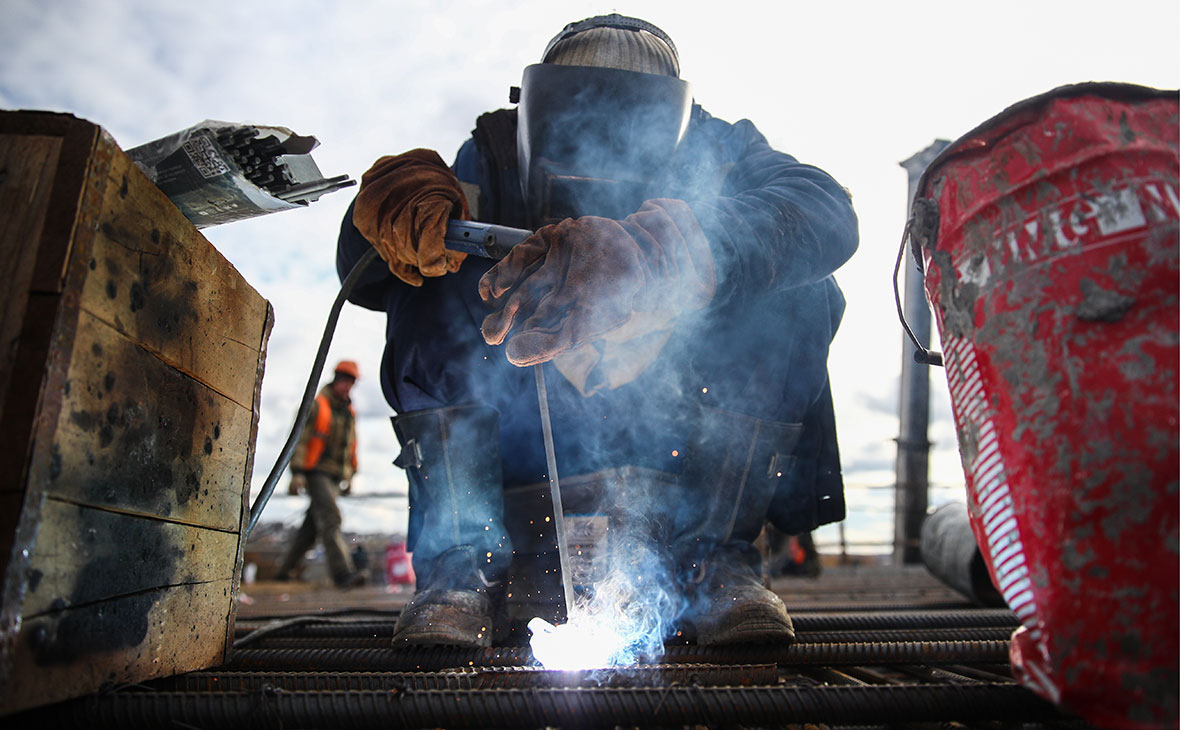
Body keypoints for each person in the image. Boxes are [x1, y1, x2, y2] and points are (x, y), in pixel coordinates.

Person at [338, 14, 858, 647]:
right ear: (535, 109)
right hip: (527, 420)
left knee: (800, 287)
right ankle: (461, 568)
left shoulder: (721, 148)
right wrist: (393, 212)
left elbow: (823, 208)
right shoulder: (495, 154)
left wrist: (658, 254)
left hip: (675, 421)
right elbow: (367, 272)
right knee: (431, 276)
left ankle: (710, 559)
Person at [275, 360, 367, 588]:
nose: (348, 388)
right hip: (316, 473)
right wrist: (297, 473)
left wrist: (350, 475)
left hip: (336, 477)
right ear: (336, 380)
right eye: (345, 382)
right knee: (331, 518)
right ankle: (343, 574)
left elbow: (351, 446)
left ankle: (283, 572)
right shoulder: (317, 406)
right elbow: (300, 440)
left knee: (311, 529)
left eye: (351, 384)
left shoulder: (348, 413)